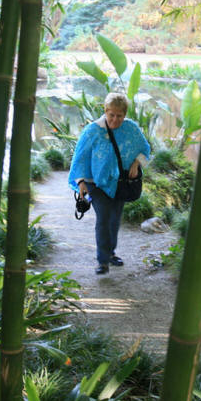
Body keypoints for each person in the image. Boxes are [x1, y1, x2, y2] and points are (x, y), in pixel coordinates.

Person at [68, 92, 151, 274]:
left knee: (115, 219)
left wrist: (136, 163)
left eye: (119, 115)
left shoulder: (131, 129)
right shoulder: (93, 130)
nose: (115, 119)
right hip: (95, 183)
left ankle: (111, 253)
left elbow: (145, 148)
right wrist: (81, 182)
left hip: (120, 182)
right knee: (104, 218)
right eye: (111, 114)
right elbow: (80, 158)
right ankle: (103, 261)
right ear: (105, 111)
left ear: (125, 114)